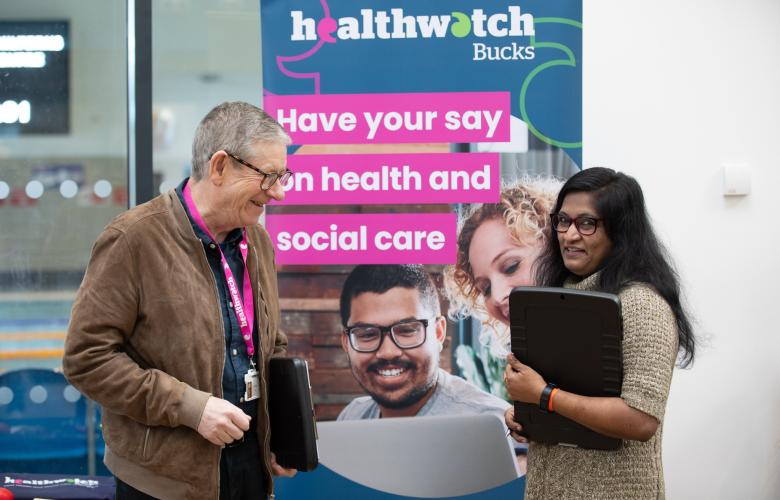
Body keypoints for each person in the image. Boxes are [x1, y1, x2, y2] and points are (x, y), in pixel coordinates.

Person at [63, 101, 296, 500]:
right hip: (164, 482)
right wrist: (191, 407)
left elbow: (270, 342)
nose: (279, 192)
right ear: (219, 166)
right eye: (269, 176)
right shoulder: (133, 240)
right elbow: (87, 359)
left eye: (284, 175)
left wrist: (279, 431)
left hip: (249, 468)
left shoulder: (256, 240)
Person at [503, 167, 696, 499]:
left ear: (620, 232)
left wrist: (543, 396)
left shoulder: (643, 306)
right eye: (563, 221)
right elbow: (553, 399)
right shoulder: (552, 298)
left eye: (587, 223)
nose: (569, 235)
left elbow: (640, 420)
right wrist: (526, 417)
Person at [337, 264, 510, 420]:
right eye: (367, 334)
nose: (388, 352)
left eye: (407, 330)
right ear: (346, 343)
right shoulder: (352, 416)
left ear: (438, 333)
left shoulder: (495, 424)